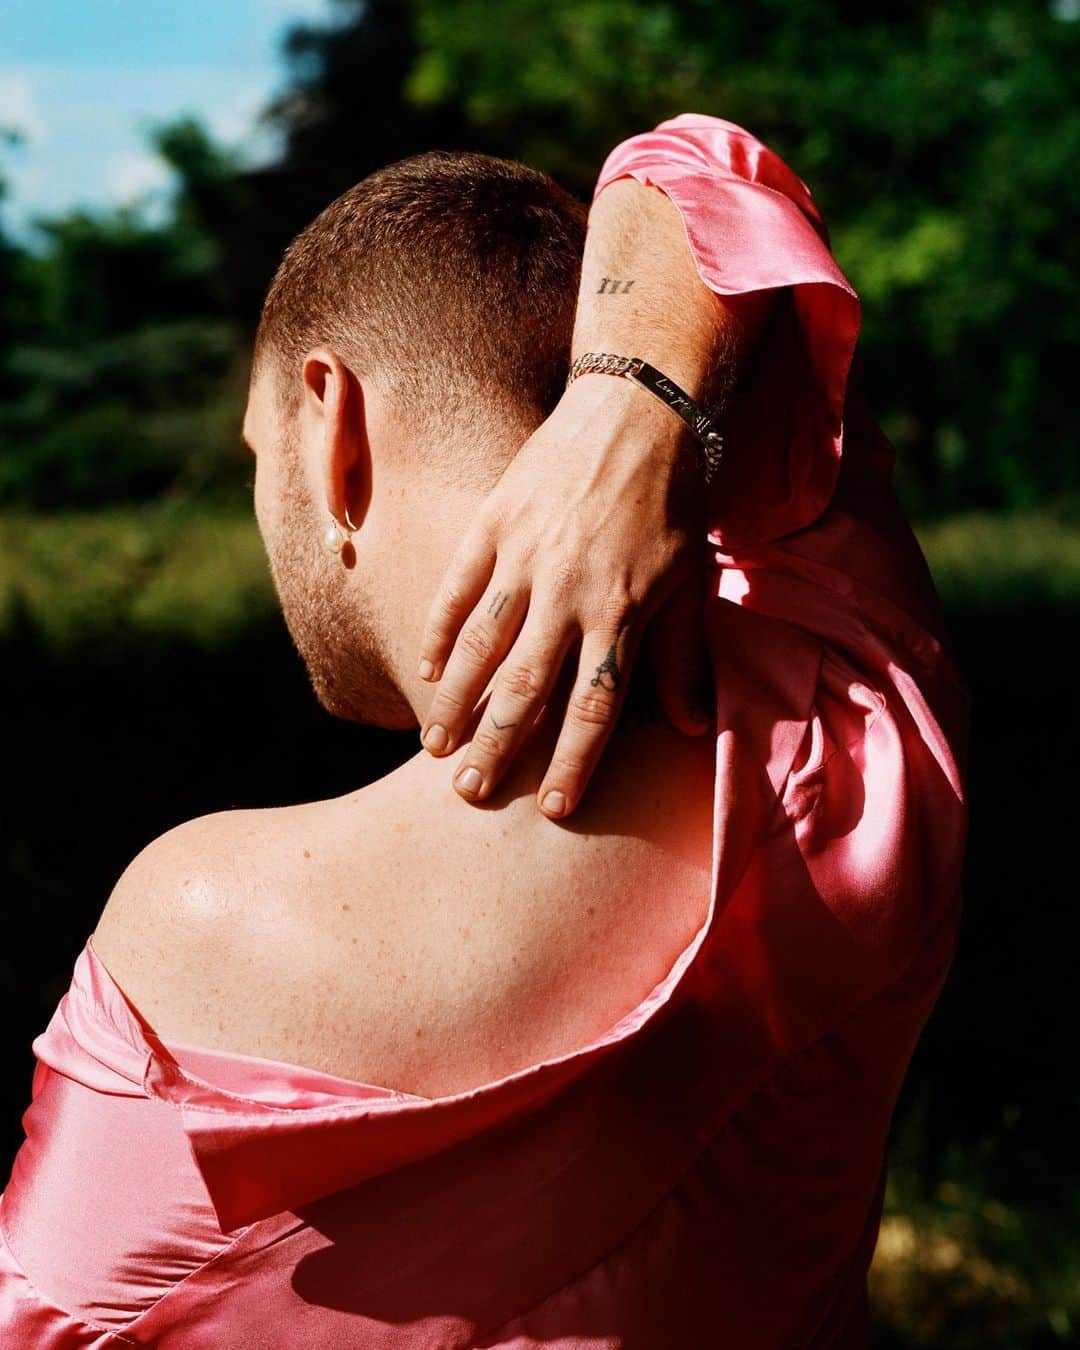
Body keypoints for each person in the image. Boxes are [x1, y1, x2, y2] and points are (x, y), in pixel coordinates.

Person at [0, 114, 970, 1346]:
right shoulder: (860, 737)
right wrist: (637, 411)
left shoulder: (198, 925)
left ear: (328, 419)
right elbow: (706, 169)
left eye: (257, 457)